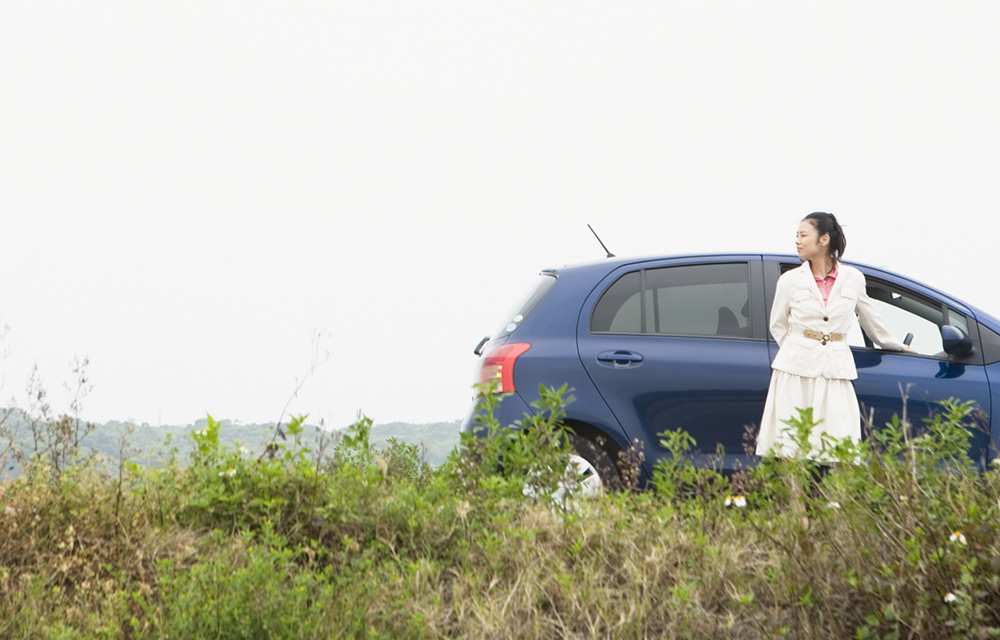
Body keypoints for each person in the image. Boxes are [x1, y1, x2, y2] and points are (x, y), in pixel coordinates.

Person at [756, 212, 915, 458]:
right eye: (796, 235)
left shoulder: (853, 279)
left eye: (803, 235)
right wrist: (796, 350)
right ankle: (795, 498)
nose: (797, 241)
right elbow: (778, 325)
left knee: (841, 444)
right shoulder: (789, 281)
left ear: (824, 239)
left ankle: (835, 497)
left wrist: (896, 346)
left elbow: (870, 319)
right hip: (795, 370)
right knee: (791, 444)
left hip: (836, 368)